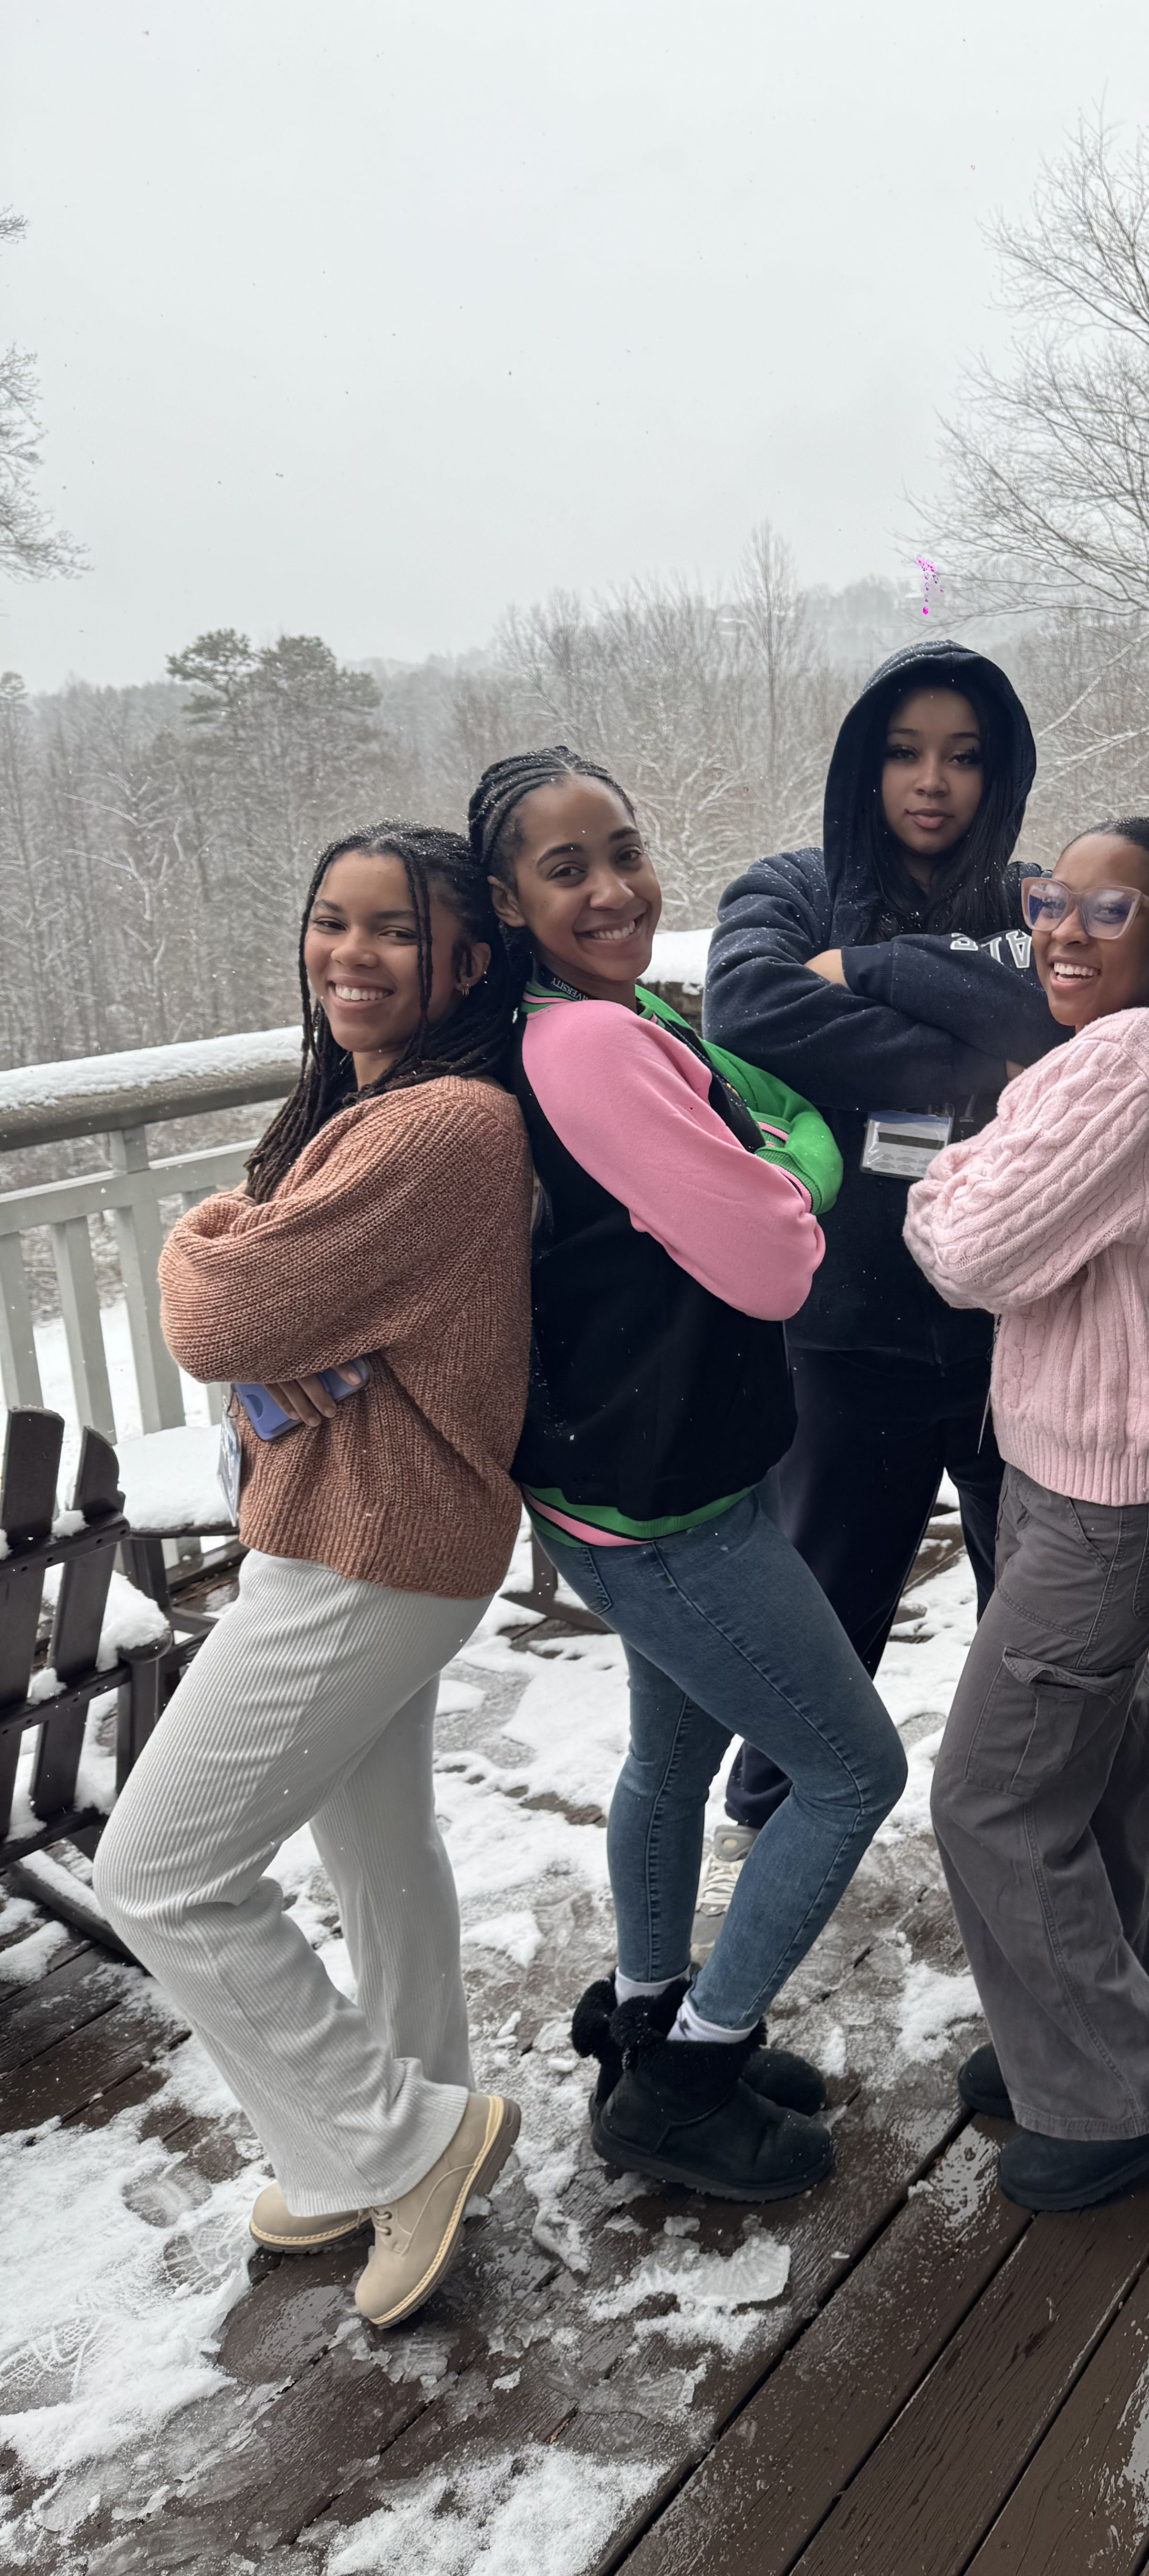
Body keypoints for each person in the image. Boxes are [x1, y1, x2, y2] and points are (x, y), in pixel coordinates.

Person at [94, 823, 532, 2333]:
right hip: (377, 1534)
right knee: (378, 1848)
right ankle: (411, 2115)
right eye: (330, 922)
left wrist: (221, 1232)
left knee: (156, 1871)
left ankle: (402, 2145)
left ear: (468, 960)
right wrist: (267, 1279)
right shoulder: (371, 1105)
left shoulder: (442, 1124)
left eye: (395, 932)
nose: (352, 955)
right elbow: (268, 1318)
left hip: (368, 1552)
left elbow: (218, 1314)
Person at [467, 744, 908, 2203]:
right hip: (670, 1509)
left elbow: (753, 1190)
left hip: (621, 1481)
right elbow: (782, 1257)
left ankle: (649, 2015)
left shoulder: (607, 1016)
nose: (615, 889)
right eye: (567, 868)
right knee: (851, 1773)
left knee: (673, 1755)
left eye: (626, 850)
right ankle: (691, 2080)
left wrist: (763, 1163)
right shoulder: (596, 1044)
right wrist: (784, 1163)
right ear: (508, 902)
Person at [698, 641, 1064, 1949]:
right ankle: (776, 1822)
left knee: (1030, 1608)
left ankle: (1040, 1842)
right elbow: (742, 1005)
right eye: (907, 752)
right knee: (831, 1596)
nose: (934, 782)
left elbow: (1072, 1024)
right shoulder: (793, 890)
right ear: (864, 763)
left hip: (1023, 1327)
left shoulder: (1042, 898)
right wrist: (978, 1047)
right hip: (851, 1328)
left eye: (966, 756)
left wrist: (870, 985)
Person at [902, 816, 1149, 2209]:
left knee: (986, 1797)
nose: (1063, 930)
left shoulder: (1133, 1061)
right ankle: (1074, 2014)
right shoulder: (1108, 1063)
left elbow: (966, 1251)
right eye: (1050, 900)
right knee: (1084, 1762)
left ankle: (1114, 2096)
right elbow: (1012, 1223)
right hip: (1071, 1469)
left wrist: (952, 1163)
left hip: (1098, 1493)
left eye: (1109, 909)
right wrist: (999, 1144)